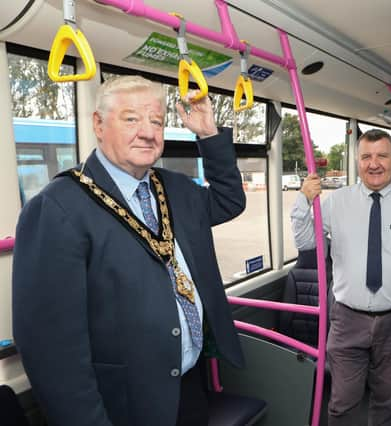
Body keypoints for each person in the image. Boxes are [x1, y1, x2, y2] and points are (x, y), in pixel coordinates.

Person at [12, 76, 246, 426]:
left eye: (157, 121)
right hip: (123, 404)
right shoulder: (58, 208)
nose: (148, 132)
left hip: (189, 387)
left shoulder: (175, 189)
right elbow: (52, 352)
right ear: (99, 125)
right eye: (131, 119)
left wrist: (209, 135)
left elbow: (229, 200)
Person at [291, 129, 391, 426]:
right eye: (366, 157)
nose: (374, 164)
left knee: (387, 400)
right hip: (347, 319)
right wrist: (303, 202)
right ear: (357, 162)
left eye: (382, 156)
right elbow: (307, 242)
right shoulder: (335, 202)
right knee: (342, 403)